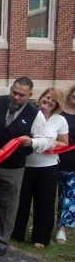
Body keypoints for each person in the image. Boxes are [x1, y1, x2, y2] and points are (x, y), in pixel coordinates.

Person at [0, 76, 52, 257]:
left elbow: (46, 141)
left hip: (12, 168)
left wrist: (31, 141)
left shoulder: (36, 115)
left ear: (30, 95)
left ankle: (1, 241)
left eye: (21, 95)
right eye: (13, 92)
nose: (16, 97)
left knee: (7, 205)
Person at [12, 88, 68, 248]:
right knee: (21, 201)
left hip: (48, 167)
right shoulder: (30, 114)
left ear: (57, 104)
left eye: (54, 100)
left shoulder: (59, 120)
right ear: (41, 97)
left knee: (44, 203)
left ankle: (40, 238)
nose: (49, 101)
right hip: (26, 165)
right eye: (47, 97)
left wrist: (52, 143)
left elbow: (65, 143)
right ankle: (17, 233)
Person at [56, 84, 75, 244]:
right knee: (47, 196)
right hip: (53, 159)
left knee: (67, 197)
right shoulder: (59, 110)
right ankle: (43, 224)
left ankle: (61, 228)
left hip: (72, 163)